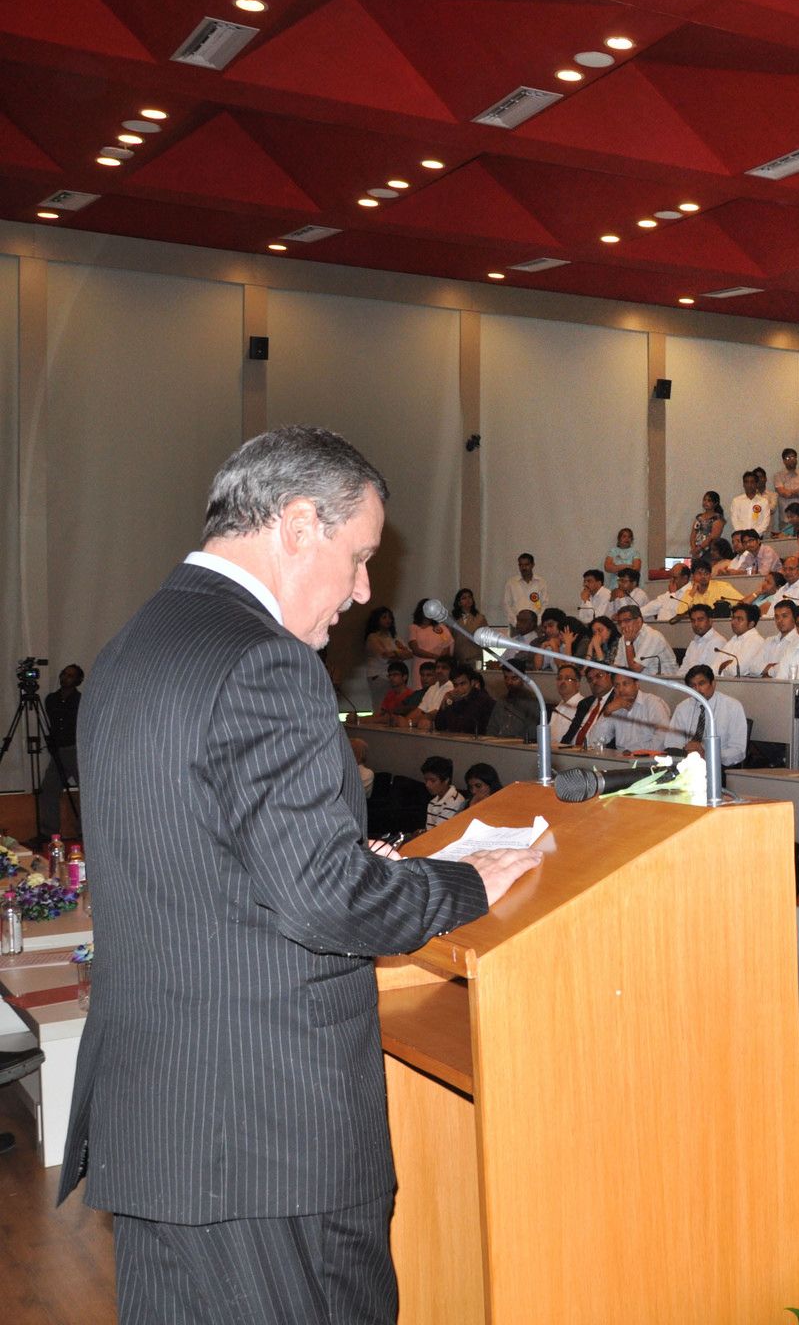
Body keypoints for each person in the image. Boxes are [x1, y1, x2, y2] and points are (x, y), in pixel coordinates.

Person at [66, 428, 537, 1318]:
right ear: (294, 524)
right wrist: (470, 882)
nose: (365, 590)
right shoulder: (267, 661)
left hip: (164, 1123)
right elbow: (326, 903)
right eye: (358, 557)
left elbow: (196, 853)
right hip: (267, 1140)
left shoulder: (137, 642)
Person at [36, 663, 83, 836]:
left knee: (85, 792)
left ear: (78, 680)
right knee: (48, 789)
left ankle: (84, 831)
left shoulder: (80, 700)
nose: (65, 678)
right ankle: (49, 833)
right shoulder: (51, 699)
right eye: (63, 674)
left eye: (70, 675)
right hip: (58, 751)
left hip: (75, 749)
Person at [676, 665, 745, 771]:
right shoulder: (682, 707)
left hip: (719, 768)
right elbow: (672, 744)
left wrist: (707, 753)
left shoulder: (732, 706)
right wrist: (688, 751)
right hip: (686, 766)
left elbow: (738, 752)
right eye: (693, 686)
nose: (697, 690)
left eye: (701, 684)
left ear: (713, 683)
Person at [432, 664, 495, 734]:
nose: (459, 689)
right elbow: (439, 726)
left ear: (472, 683)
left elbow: (470, 728)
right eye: (455, 685)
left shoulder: (485, 701)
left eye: (463, 684)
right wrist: (445, 704)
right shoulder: (453, 698)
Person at [421, 754, 466, 827]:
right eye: (426, 780)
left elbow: (437, 832)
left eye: (433, 781)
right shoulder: (434, 801)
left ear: (446, 780)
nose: (427, 785)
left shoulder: (454, 801)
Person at [503, 551, 548, 624]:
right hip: (516, 625)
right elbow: (507, 605)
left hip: (535, 624)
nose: (523, 568)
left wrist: (537, 622)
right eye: (521, 565)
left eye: (526, 565)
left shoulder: (541, 582)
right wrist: (516, 622)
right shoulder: (511, 583)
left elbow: (544, 604)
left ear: (533, 565)